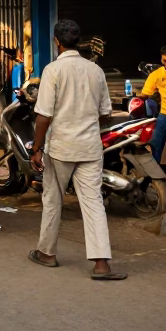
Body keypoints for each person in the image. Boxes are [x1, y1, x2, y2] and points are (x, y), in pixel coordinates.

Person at [29, 19, 125, 279]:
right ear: (78, 40)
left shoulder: (53, 70)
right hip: (90, 147)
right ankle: (101, 264)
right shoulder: (95, 70)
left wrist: (36, 149)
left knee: (52, 200)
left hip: (61, 146)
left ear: (57, 42)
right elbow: (106, 112)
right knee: (93, 204)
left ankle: (47, 253)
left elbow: (43, 116)